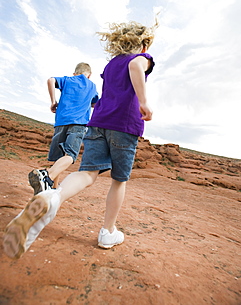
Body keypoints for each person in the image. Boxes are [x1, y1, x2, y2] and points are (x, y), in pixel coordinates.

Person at [3, 20, 157, 259]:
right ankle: (108, 231)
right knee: (119, 180)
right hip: (124, 125)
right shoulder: (141, 58)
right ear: (143, 43)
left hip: (97, 123)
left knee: (88, 173)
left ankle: (52, 198)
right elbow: (137, 64)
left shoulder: (112, 63)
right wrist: (144, 101)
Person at [28, 62, 99, 194]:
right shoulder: (92, 86)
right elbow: (96, 104)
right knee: (70, 155)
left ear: (75, 73)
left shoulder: (68, 79)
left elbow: (50, 80)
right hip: (78, 124)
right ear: (89, 75)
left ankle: (52, 188)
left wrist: (53, 101)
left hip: (61, 122)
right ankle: (46, 176)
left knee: (57, 158)